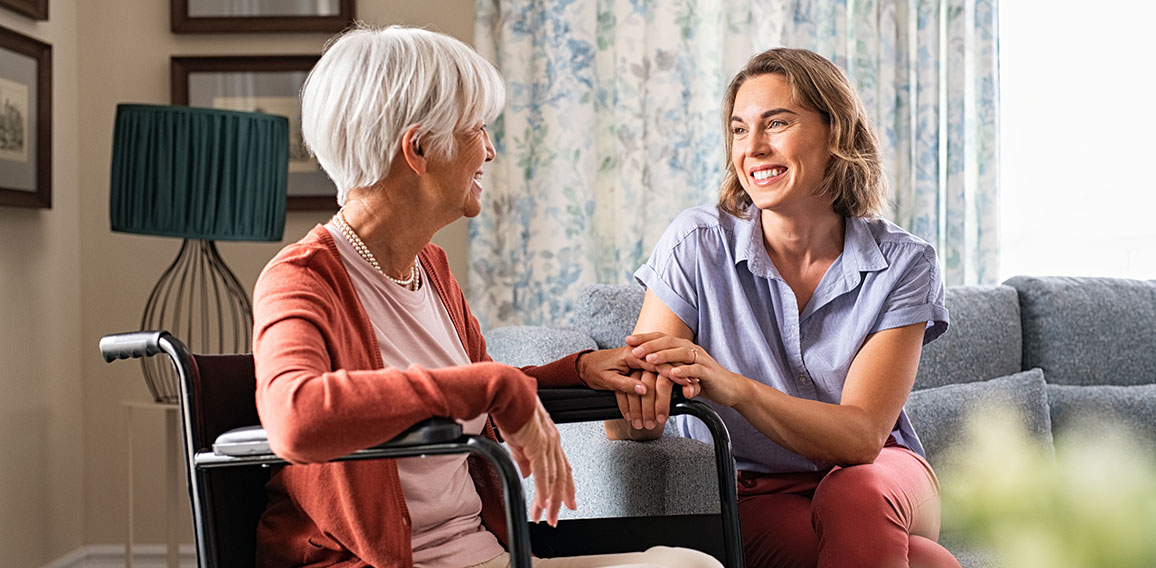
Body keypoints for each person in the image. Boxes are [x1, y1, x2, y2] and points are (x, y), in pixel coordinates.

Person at [252, 24, 721, 568]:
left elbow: (472, 393)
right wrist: (489, 382)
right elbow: (296, 420)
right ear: (420, 148)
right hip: (373, 562)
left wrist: (582, 368)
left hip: (485, 555)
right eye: (476, 129)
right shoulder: (303, 278)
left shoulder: (430, 268)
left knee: (688, 563)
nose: (491, 150)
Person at [608, 48, 961, 568]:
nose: (753, 147)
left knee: (854, 492)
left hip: (884, 472)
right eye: (738, 130)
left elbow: (862, 437)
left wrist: (736, 388)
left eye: (777, 123)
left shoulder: (904, 263)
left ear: (836, 132)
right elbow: (631, 419)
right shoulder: (696, 245)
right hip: (758, 488)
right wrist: (641, 400)